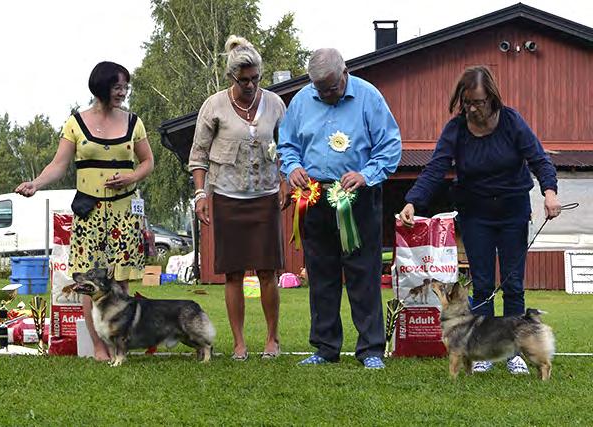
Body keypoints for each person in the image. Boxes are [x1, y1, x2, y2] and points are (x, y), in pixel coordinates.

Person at [398, 65, 561, 374]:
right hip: (475, 215)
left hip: (513, 211)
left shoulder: (511, 121)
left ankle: (515, 351)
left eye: (479, 102)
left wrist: (549, 192)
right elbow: (436, 167)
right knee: (483, 284)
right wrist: (412, 201)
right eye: (467, 102)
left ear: (492, 98)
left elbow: (539, 158)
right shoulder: (456, 129)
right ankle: (483, 351)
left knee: (513, 284)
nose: (473, 108)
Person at [15, 61, 154, 361]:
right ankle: (99, 347)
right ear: (101, 87)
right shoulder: (75, 123)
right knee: (88, 282)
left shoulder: (134, 123)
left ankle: (119, 344)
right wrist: (36, 183)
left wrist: (131, 177)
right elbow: (59, 164)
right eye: (118, 87)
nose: (123, 92)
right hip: (89, 215)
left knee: (120, 281)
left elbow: (147, 162)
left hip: (124, 215)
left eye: (125, 87)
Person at [278, 48, 402, 369]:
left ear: (345, 72)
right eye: (320, 89)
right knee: (321, 274)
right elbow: (287, 144)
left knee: (364, 273)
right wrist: (292, 168)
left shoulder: (369, 97)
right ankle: (325, 347)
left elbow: (389, 145)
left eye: (331, 88)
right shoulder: (302, 101)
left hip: (357, 197)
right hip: (314, 196)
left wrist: (366, 175)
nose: (326, 95)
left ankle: (371, 349)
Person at [189, 35, 287, 361]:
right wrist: (202, 194)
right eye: (243, 80)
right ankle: (240, 343)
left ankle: (272, 339)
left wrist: (286, 180)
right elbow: (199, 155)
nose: (250, 84)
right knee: (233, 272)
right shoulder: (213, 105)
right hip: (228, 197)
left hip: (265, 196)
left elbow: (287, 148)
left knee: (267, 270)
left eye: (255, 78)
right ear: (232, 77)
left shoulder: (274, 103)